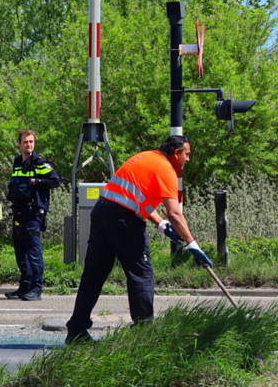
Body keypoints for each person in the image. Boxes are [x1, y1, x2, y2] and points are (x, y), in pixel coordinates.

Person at [65, 135, 213, 344]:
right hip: (123, 220)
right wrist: (192, 244)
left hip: (102, 212)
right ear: (176, 153)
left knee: (94, 274)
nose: (188, 159)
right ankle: (143, 335)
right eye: (187, 154)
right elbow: (175, 213)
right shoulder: (166, 169)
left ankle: (76, 331)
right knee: (141, 274)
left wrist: (160, 223)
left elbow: (131, 198)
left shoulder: (143, 157)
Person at [5, 128, 61, 301]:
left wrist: (36, 181)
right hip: (19, 212)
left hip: (33, 213)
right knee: (20, 251)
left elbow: (55, 181)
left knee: (33, 251)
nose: (28, 144)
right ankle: (24, 286)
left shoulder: (39, 162)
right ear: (19, 144)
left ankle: (36, 289)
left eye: (31, 142)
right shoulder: (17, 161)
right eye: (25, 142)